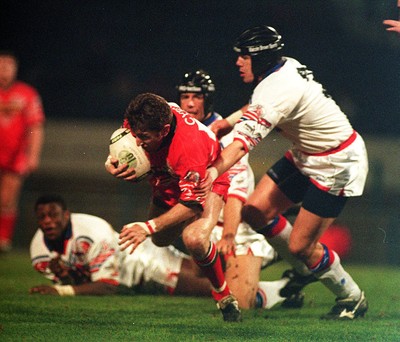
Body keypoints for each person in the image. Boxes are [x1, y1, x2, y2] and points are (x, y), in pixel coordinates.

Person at [206, 25, 369, 320]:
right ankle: (306, 268)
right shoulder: (283, 67)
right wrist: (225, 123)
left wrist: (209, 172)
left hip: (337, 162)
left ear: (261, 58)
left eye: (243, 56)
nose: (237, 62)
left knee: (300, 245)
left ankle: (352, 298)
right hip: (308, 154)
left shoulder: (277, 89)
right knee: (255, 211)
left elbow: (242, 146)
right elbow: (259, 104)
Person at [177, 69, 313, 309]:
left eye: (196, 97)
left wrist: (229, 236)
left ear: (208, 100)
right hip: (206, 227)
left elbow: (235, 193)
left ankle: (280, 283)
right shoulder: (181, 132)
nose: (189, 103)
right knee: (196, 286)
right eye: (185, 96)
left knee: (239, 302)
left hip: (236, 228)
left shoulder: (226, 138)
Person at [105, 93, 242, 322]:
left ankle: (223, 294)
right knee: (160, 240)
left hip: (207, 179)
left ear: (165, 130)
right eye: (136, 135)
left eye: (144, 137)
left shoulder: (189, 148)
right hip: (168, 178)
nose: (137, 142)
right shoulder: (141, 116)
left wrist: (147, 226)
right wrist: (111, 164)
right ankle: (196, 233)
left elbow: (191, 202)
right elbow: (121, 143)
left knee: (195, 238)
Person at [29, 194, 290, 309]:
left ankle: (275, 267)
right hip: (134, 274)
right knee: (211, 277)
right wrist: (66, 278)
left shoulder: (91, 231)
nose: (48, 221)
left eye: (53, 215)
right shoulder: (38, 250)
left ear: (66, 214)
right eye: (43, 217)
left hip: (145, 264)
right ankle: (282, 285)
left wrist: (61, 289)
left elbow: (107, 285)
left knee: (214, 289)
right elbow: (85, 279)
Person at [0, 50, 45, 253]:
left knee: (7, 199)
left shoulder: (27, 94)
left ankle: (3, 241)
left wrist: (33, 155)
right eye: (2, 65)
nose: (5, 69)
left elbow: (36, 126)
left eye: (9, 65)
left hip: (15, 155)